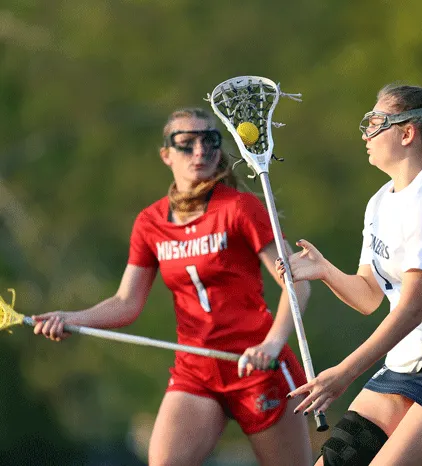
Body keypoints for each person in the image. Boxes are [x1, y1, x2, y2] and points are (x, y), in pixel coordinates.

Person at [32, 108, 314, 466]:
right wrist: (71, 318)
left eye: (209, 141)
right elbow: (126, 302)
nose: (200, 152)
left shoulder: (241, 208)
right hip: (196, 370)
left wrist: (271, 344)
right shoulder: (150, 222)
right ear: (166, 155)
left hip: (257, 367)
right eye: (186, 144)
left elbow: (297, 284)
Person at [277, 83, 422, 466]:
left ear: (406, 133)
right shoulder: (382, 200)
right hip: (408, 362)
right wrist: (324, 271)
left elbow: (410, 310)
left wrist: (344, 373)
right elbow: (369, 297)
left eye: (375, 121)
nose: (365, 132)